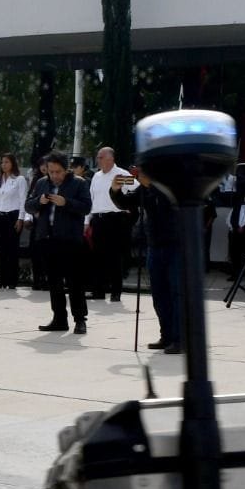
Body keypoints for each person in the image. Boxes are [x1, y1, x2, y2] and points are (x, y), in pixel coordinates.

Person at [109, 171, 181, 354]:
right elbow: (126, 203)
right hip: (154, 245)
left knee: (176, 293)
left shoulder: (170, 184)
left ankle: (179, 338)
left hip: (176, 245)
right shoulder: (144, 189)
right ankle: (166, 336)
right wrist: (116, 190)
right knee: (159, 293)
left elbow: (171, 204)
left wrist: (152, 185)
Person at [27, 151, 92, 334]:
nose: (54, 175)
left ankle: (80, 319)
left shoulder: (79, 183)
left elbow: (86, 207)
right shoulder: (42, 183)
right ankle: (59, 318)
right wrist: (38, 201)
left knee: (74, 281)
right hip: (47, 238)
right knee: (54, 281)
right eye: (51, 172)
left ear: (66, 169)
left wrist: (66, 203)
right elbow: (28, 205)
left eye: (58, 172)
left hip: (70, 239)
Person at [86, 147, 135, 302]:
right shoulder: (96, 176)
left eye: (100, 157)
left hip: (115, 220)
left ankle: (115, 292)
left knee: (115, 257)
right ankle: (98, 291)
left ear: (110, 159)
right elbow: (91, 199)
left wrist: (130, 208)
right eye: (98, 157)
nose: (98, 160)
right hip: (98, 219)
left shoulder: (121, 174)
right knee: (97, 257)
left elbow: (137, 190)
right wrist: (87, 220)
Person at [0, 152, 28, 289]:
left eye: (7, 162)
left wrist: (20, 218)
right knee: (1, 249)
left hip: (12, 216)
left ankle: (12, 280)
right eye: (2, 162)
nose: (4, 165)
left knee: (12, 249)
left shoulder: (19, 179)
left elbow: (23, 200)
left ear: (13, 163)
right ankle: (2, 279)